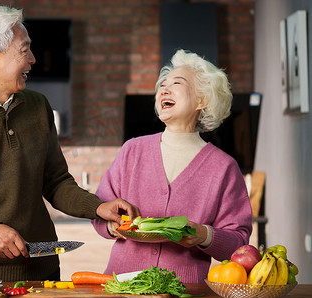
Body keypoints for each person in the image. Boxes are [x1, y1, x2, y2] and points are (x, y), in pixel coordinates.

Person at [0, 4, 138, 282]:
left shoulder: (38, 106)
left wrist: (97, 207)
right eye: (24, 50)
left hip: (43, 270)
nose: (32, 59)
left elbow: (56, 182)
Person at [91, 49, 252, 283]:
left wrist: (203, 235)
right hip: (121, 286)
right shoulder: (132, 151)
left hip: (185, 290)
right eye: (162, 85)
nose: (164, 89)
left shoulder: (224, 167)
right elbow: (99, 210)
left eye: (177, 83)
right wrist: (113, 226)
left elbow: (238, 243)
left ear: (202, 100)